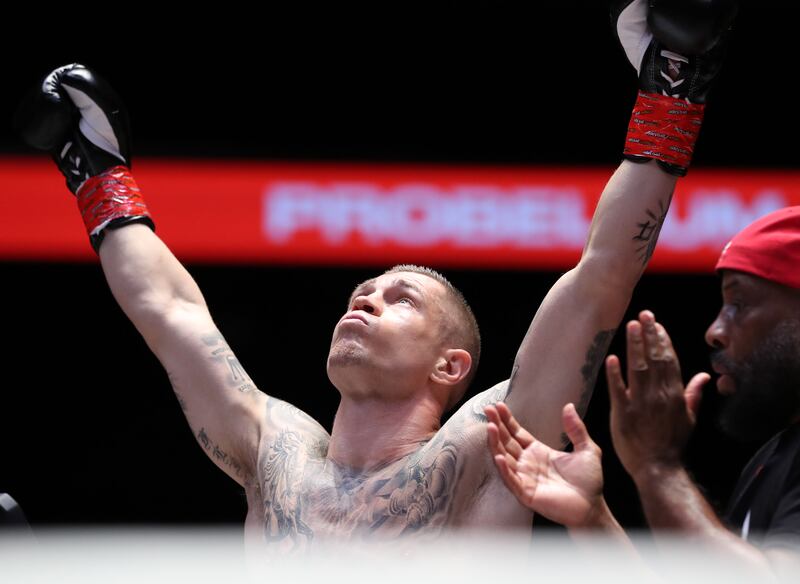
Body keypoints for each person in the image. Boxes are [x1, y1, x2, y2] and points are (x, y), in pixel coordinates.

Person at [14, 0, 730, 553]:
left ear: (452, 365)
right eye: (362, 293)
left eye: (399, 299)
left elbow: (600, 276)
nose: (365, 300)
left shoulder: (488, 445)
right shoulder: (275, 452)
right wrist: (98, 175)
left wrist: (672, 92)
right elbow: (170, 314)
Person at [486, 207, 800, 578]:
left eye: (739, 304)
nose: (715, 330)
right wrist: (592, 518)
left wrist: (658, 467)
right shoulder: (775, 455)